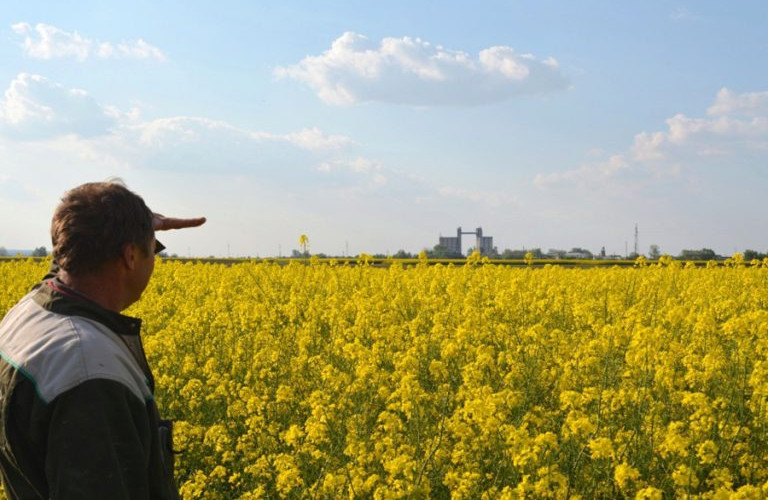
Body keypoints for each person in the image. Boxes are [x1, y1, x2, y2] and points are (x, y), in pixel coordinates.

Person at [0, 181, 206, 499]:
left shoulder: (30, 311)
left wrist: (131, 223)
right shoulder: (90, 376)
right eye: (152, 250)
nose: (154, 259)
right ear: (130, 256)